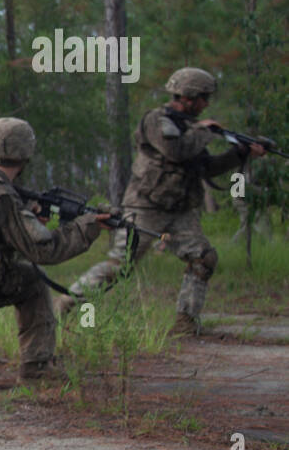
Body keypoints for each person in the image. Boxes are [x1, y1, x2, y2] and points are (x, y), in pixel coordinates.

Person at [56, 67, 264, 335]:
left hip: (181, 211)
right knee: (121, 266)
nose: (206, 104)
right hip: (145, 207)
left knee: (204, 258)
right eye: (204, 98)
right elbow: (174, 151)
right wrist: (205, 131)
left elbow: (207, 167)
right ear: (188, 96)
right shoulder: (157, 120)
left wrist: (240, 152)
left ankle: (184, 323)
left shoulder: (190, 127)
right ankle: (67, 304)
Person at [0, 118, 111, 386]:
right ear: (26, 153)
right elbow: (44, 250)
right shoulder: (1, 192)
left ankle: (37, 368)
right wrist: (86, 228)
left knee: (31, 281)